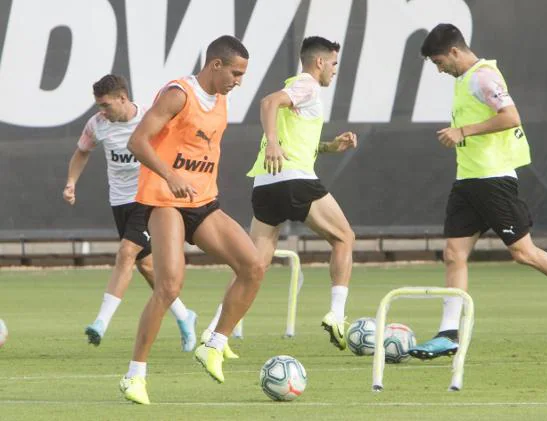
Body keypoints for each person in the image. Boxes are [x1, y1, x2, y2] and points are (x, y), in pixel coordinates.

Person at [409, 23, 547, 360]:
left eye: (439, 62)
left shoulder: (484, 76)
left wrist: (463, 131)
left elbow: (511, 117)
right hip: (467, 181)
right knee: (454, 255)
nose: (439, 69)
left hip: (494, 180)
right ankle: (448, 333)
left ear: (455, 51)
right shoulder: (462, 79)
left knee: (523, 253)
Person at [119, 35, 264, 405]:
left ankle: (214, 343)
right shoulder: (179, 94)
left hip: (202, 202)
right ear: (215, 65)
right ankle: (134, 375)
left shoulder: (221, 101)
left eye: (243, 74)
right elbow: (138, 141)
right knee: (169, 287)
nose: (238, 81)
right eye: (235, 72)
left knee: (253, 265)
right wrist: (170, 175)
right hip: (164, 200)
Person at [197, 36, 357, 353]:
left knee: (252, 266)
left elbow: (294, 135)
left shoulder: (298, 90)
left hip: (266, 184)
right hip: (294, 180)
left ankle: (215, 333)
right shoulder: (307, 84)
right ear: (320, 62)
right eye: (334, 64)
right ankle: (337, 314)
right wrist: (272, 142)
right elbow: (268, 102)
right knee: (344, 238)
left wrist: (329, 147)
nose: (335, 71)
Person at [62, 74, 197, 352]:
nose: (102, 111)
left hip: (150, 197)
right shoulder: (97, 124)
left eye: (106, 105)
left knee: (126, 253)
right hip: (120, 202)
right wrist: (71, 183)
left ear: (123, 98)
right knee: (146, 267)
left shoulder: (150, 117)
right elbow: (81, 152)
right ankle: (185, 316)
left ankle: (101, 323)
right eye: (99, 105)